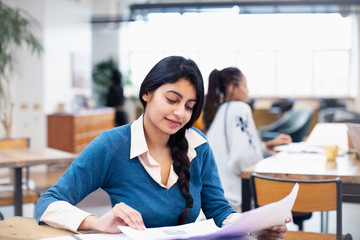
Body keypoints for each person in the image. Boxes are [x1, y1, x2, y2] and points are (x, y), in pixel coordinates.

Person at [35, 56, 290, 238]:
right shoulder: (113, 145)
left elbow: (218, 209)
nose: (180, 113)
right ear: (147, 93)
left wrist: (251, 224)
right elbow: (47, 203)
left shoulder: (197, 144)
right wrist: (97, 222)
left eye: (189, 106)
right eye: (172, 99)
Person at [203, 67, 292, 211]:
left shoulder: (219, 110)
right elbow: (241, 158)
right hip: (236, 200)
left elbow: (237, 150)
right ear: (233, 88)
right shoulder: (240, 108)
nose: (247, 91)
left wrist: (266, 146)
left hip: (216, 197)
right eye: (245, 86)